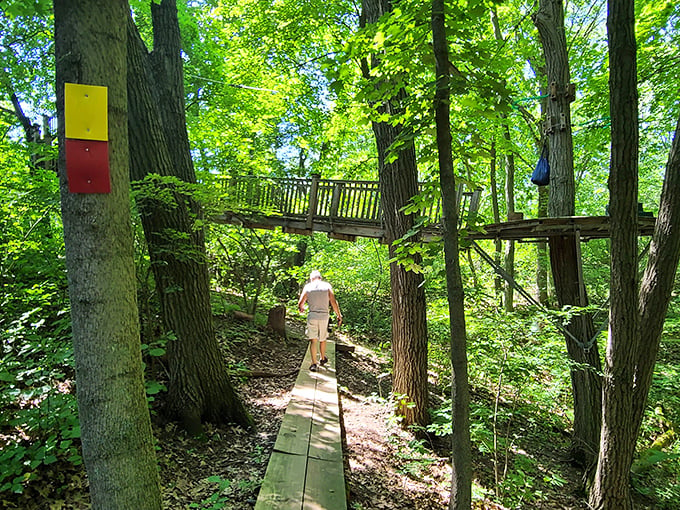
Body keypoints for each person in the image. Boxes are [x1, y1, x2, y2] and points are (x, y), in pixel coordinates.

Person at [298, 270, 342, 372]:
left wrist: (301, 308)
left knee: (313, 340)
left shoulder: (308, 287)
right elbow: (333, 301)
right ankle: (322, 358)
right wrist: (338, 315)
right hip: (324, 317)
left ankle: (314, 363)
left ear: (311, 278)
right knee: (323, 338)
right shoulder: (327, 286)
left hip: (312, 315)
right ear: (320, 278)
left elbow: (301, 303)